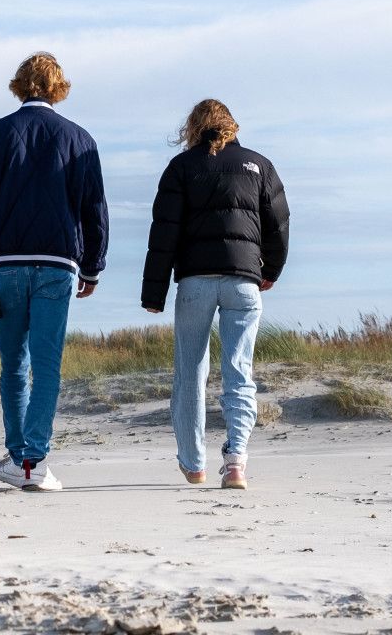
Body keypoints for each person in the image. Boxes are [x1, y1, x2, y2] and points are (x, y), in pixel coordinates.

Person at [0, 52, 108, 493]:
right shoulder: (80, 139)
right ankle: (34, 461)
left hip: (4, 265)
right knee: (46, 365)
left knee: (14, 366)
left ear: (20, 85)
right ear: (59, 87)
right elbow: (95, 209)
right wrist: (93, 266)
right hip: (57, 264)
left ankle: (20, 457)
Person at [140, 99, 289, 490]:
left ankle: (194, 464)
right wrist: (269, 270)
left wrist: (154, 292)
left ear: (193, 127)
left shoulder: (182, 167)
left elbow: (164, 233)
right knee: (240, 371)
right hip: (243, 280)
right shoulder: (259, 165)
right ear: (232, 126)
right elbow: (278, 225)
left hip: (195, 282)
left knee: (190, 372)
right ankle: (236, 461)